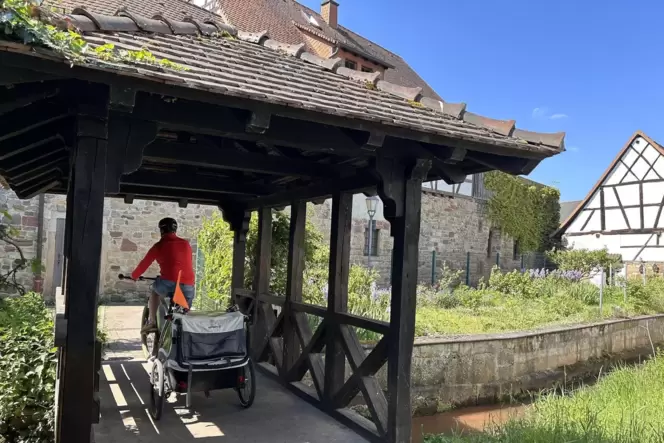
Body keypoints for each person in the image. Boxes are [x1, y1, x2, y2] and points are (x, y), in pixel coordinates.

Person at [131, 217, 195, 333]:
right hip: (188, 287)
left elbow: (144, 264)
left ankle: (152, 322)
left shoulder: (159, 246)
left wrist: (134, 276)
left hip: (168, 284)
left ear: (161, 230)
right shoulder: (186, 244)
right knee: (185, 315)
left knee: (155, 292)